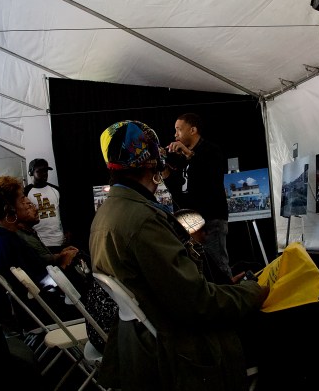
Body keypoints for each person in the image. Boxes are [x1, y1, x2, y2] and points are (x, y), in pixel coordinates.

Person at [90, 120, 268, 391]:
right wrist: (251, 291)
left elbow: (167, 286)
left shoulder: (107, 214)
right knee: (278, 326)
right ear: (152, 162)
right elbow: (198, 304)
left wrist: (225, 287)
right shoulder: (142, 220)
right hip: (178, 348)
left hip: (140, 346)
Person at [0, 176, 81, 331]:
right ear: (10, 209)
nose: (27, 203)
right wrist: (63, 266)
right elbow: (39, 284)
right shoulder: (8, 243)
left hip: (27, 312)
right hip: (42, 315)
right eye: (21, 199)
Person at [163, 112, 232, 280]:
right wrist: (164, 168)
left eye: (178, 130)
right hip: (192, 224)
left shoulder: (211, 151)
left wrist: (189, 154)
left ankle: (232, 299)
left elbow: (212, 177)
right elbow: (178, 189)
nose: (175, 135)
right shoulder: (181, 157)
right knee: (199, 269)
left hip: (210, 221)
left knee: (218, 266)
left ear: (192, 130)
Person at [24, 158, 70, 254]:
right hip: (37, 243)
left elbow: (64, 212)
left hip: (58, 240)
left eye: (46, 170)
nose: (44, 173)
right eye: (40, 171)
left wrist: (67, 231)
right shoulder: (25, 192)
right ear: (31, 173)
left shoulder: (56, 190)